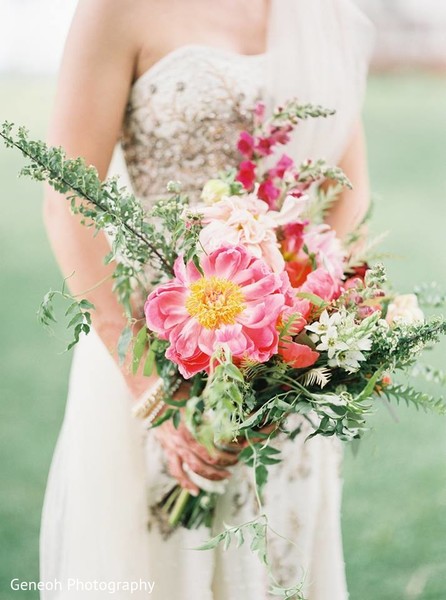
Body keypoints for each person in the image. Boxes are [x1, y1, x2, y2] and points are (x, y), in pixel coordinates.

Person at [40, 0, 374, 598]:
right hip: (152, 353)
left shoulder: (327, 16)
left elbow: (348, 189)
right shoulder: (116, 10)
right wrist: (153, 393)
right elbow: (68, 199)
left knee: (278, 569)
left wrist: (313, 332)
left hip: (284, 369)